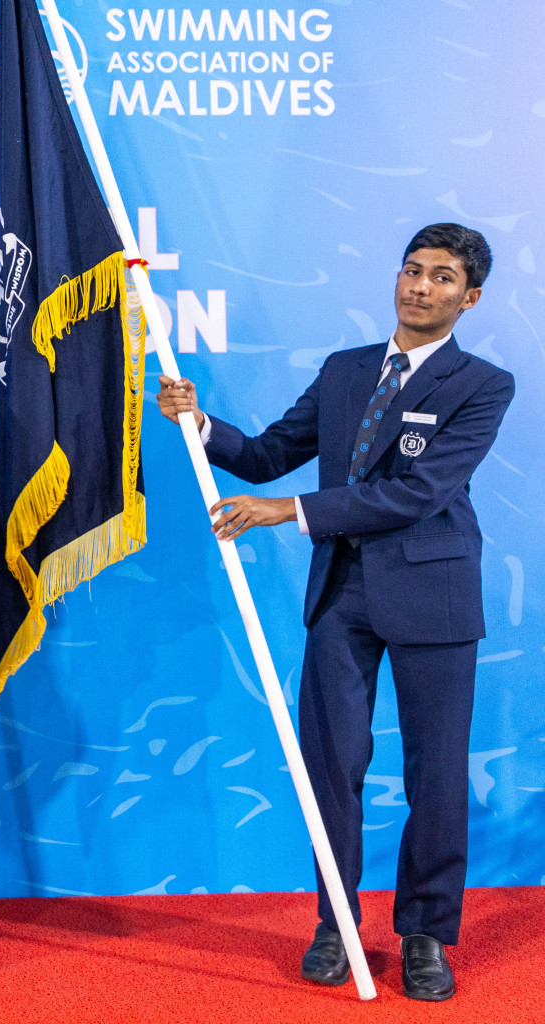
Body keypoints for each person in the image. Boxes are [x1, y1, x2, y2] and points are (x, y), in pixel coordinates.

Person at [157, 223, 513, 1002]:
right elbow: (267, 452)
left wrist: (289, 512)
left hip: (435, 593)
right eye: (412, 270)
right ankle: (338, 924)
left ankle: (425, 934)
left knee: (437, 776)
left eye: (443, 278)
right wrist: (199, 422)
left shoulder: (482, 385)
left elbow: (418, 494)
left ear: (470, 297)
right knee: (332, 770)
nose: (421, 286)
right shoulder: (347, 370)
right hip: (341, 595)